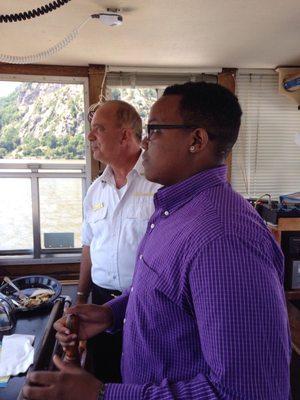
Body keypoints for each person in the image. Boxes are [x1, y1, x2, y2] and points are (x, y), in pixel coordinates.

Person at [23, 82, 291, 400]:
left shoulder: (224, 240)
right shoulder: (173, 209)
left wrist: (102, 394)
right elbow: (168, 294)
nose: (145, 140)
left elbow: (249, 392)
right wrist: (112, 313)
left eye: (155, 130)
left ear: (196, 140)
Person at [76, 99, 160, 382]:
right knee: (105, 378)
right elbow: (89, 246)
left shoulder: (159, 183)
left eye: (98, 129)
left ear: (124, 135)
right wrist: (80, 296)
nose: (90, 136)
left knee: (145, 380)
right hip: (100, 301)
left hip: (147, 305)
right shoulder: (95, 190)